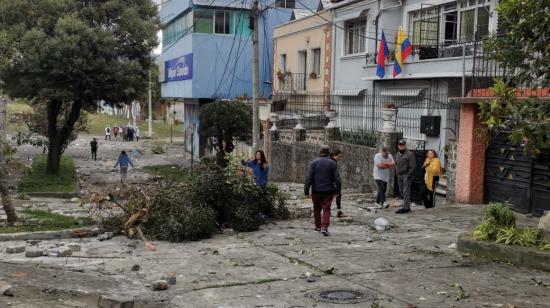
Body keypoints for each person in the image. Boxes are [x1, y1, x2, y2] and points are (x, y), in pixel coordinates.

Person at [304, 145, 341, 236]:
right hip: (328, 191)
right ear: (328, 153)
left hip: (316, 190)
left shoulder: (313, 163)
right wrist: (337, 190)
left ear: (319, 152)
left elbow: (309, 178)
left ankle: (317, 226)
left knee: (316, 208)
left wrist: (306, 190)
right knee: (326, 209)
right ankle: (324, 227)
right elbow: (337, 179)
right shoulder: (332, 163)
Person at [395, 139, 416, 214]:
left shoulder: (409, 154)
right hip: (399, 174)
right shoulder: (398, 153)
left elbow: (413, 166)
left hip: (406, 174)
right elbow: (396, 163)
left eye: (403, 145)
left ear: (405, 145)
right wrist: (396, 171)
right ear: (398, 146)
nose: (401, 147)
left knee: (406, 191)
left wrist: (408, 175)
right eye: (400, 145)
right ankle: (407, 205)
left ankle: (406, 207)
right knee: (401, 191)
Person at [330, 149, 345, 218]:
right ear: (334, 155)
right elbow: (336, 177)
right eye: (339, 157)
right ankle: (339, 212)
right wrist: (338, 187)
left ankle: (328, 211)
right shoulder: (333, 163)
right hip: (330, 183)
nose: (340, 158)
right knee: (338, 194)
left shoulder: (330, 161)